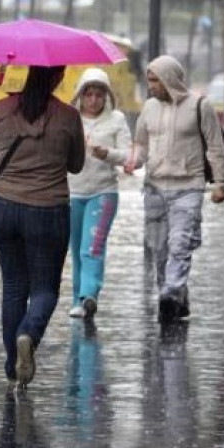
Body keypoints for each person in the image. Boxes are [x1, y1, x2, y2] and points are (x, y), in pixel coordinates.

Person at [0, 65, 85, 389]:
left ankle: (13, 365)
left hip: (2, 209)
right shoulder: (69, 116)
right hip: (47, 211)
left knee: (13, 286)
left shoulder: (1, 109)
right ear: (57, 77)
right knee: (45, 290)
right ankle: (28, 333)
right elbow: (76, 165)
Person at [124, 55, 224, 321]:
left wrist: (220, 183)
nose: (150, 86)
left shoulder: (200, 106)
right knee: (158, 248)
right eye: (148, 80)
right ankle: (174, 294)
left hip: (189, 187)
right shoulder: (148, 108)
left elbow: (216, 147)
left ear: (169, 79)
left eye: (155, 80)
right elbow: (141, 145)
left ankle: (170, 294)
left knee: (180, 243)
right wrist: (129, 162)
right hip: (155, 187)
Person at [66, 68, 132, 319]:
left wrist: (108, 153)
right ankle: (77, 299)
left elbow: (128, 155)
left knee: (91, 247)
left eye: (99, 95)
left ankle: (89, 296)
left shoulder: (116, 120)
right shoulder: (70, 118)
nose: (93, 100)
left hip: (103, 192)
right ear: (80, 95)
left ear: (106, 96)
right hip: (72, 193)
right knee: (77, 249)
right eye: (88, 94)